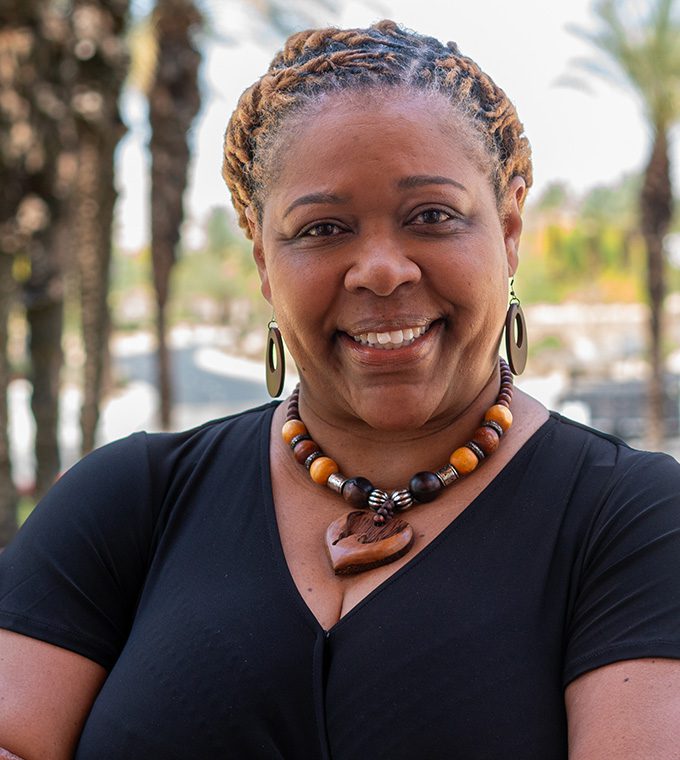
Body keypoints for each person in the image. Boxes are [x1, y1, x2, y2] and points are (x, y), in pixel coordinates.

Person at [1, 19, 679, 760]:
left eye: (432, 216)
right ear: (263, 258)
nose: (381, 271)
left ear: (510, 228)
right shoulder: (128, 502)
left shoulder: (635, 522)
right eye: (323, 228)